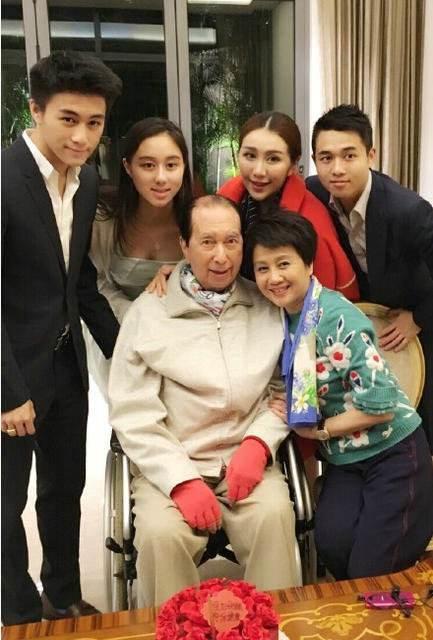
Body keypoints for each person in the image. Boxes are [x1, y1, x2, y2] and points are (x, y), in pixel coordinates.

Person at [108, 195, 299, 607]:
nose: (221, 256)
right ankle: (178, 631)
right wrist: (180, 480)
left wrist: (259, 444)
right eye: (207, 242)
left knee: (275, 518)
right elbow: (132, 411)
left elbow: (285, 388)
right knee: (160, 536)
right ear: (184, 245)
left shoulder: (266, 305)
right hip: (173, 463)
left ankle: (271, 628)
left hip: (246, 461)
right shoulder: (149, 313)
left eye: (231, 241)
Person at [245, 210, 433, 580]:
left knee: (370, 570)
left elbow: (380, 406)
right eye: (262, 268)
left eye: (284, 264)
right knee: (332, 544)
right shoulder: (282, 315)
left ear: (308, 264)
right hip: (346, 458)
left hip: (393, 452)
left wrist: (318, 430)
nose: (274, 277)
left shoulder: (335, 317)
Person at [1, 51, 122, 625]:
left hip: (66, 367)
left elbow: (79, 283)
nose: (81, 137)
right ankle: (18, 610)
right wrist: (7, 393)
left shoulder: (88, 179)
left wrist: (126, 353)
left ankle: (62, 593)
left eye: (94, 123)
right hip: (11, 372)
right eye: (68, 119)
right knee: (6, 503)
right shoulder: (3, 178)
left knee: (64, 489)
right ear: (36, 110)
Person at [306, 104, 433, 451]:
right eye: (326, 158)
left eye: (349, 156)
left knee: (419, 427)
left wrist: (419, 318)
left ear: (371, 155)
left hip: (414, 318)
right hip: (365, 322)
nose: (337, 169)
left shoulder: (408, 211)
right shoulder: (314, 192)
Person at [85, 117, 193, 396]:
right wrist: (139, 317)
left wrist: (183, 275)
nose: (161, 177)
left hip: (184, 341)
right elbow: (96, 284)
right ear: (127, 167)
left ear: (184, 167)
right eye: (147, 165)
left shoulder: (197, 221)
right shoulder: (104, 220)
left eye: (172, 165)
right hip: (118, 335)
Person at [218, 111, 359, 299]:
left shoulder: (311, 221)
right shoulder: (225, 200)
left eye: (273, 159)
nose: (258, 171)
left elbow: (321, 299)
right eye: (250, 155)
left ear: (293, 164)